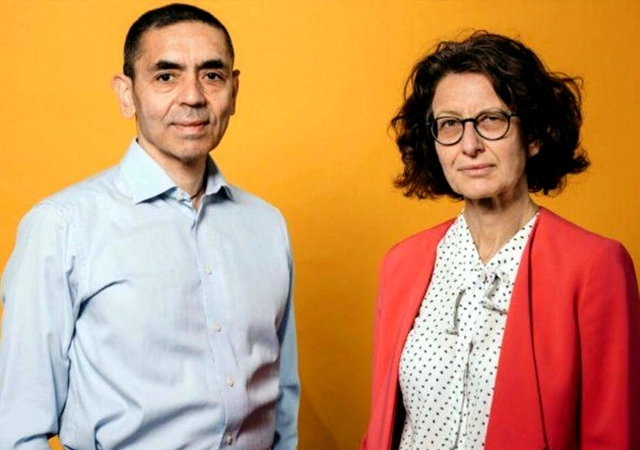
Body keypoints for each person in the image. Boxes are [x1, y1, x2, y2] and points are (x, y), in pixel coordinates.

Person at [0, 4, 299, 449]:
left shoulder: (267, 225)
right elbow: (17, 429)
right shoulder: (62, 227)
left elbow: (282, 405)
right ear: (127, 94)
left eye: (212, 75)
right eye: (166, 76)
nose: (193, 96)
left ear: (234, 90)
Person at [362, 31, 640, 450]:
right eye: (450, 124)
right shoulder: (401, 264)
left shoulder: (595, 266)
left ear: (533, 135)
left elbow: (613, 436)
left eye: (491, 120)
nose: (470, 145)